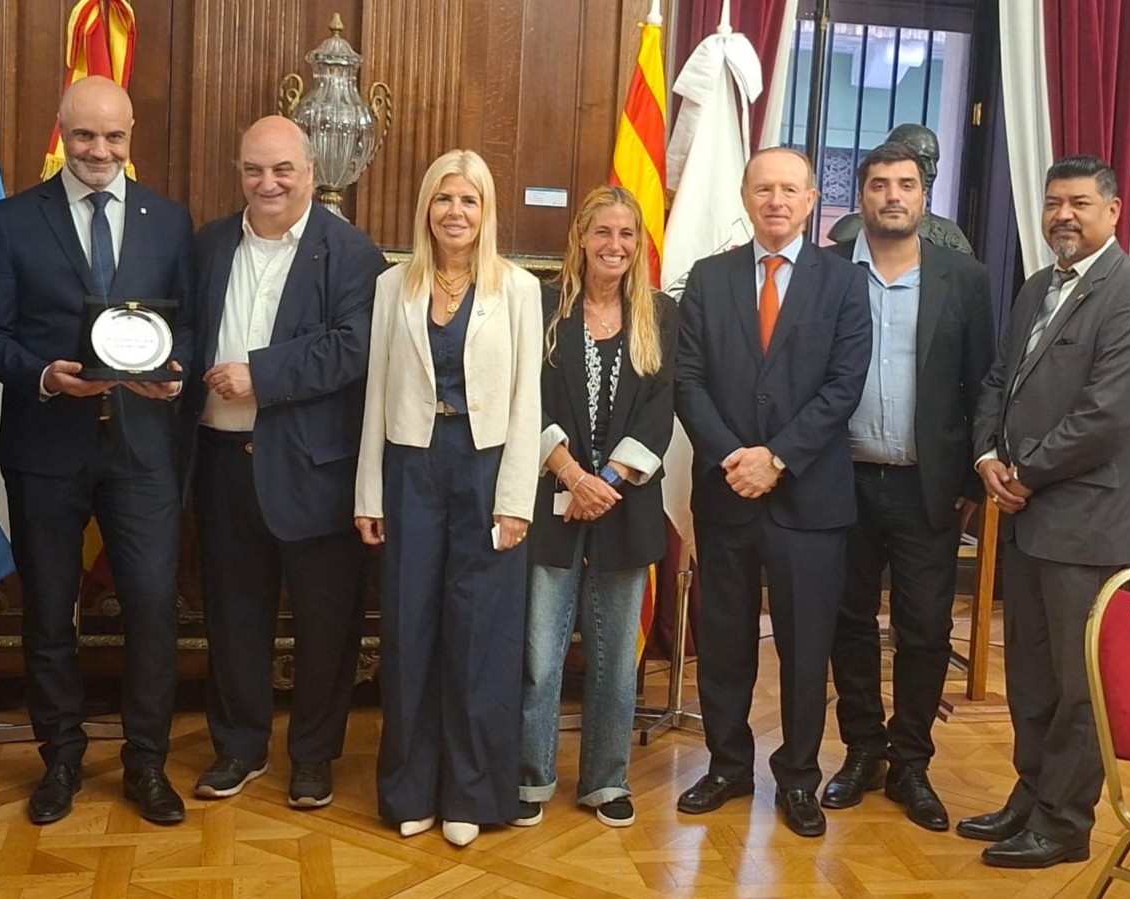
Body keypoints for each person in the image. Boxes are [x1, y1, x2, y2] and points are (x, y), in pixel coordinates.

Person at [0, 76, 195, 827]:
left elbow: (186, 327)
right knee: (48, 615)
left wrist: (172, 373)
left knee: (153, 609)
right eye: (85, 135)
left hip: (142, 448)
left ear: (133, 136)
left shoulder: (168, 221)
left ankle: (146, 762)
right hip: (45, 446)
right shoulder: (8, 220)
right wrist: (41, 375)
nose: (100, 151)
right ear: (60, 130)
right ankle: (60, 757)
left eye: (115, 137)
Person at [960, 155, 1130, 869]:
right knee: (1028, 673)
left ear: (1112, 210)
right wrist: (986, 452)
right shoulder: (1034, 288)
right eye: (1053, 203)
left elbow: (1106, 415)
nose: (1062, 216)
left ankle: (1064, 820)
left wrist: (1025, 471)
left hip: (1083, 527)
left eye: (1078, 202)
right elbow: (999, 379)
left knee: (1080, 686)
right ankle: (1029, 794)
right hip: (1022, 518)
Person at [189, 115, 387, 808]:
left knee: (325, 622)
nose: (266, 182)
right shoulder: (210, 242)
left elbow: (352, 347)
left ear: (309, 172)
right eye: (253, 169)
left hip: (313, 468)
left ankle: (312, 756)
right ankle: (237, 747)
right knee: (232, 614)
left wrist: (260, 375)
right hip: (220, 463)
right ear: (238, 171)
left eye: (281, 170)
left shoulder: (351, 253)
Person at [673, 147, 871, 838]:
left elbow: (843, 387)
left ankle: (797, 778)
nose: (776, 200)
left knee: (803, 644)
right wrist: (734, 456)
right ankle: (727, 766)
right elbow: (687, 381)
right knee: (724, 641)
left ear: (813, 199)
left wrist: (777, 457)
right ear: (744, 195)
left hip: (808, 499)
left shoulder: (844, 284)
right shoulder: (707, 278)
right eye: (764, 188)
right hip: (725, 492)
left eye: (789, 189)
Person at [355, 150, 542, 847]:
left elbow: (527, 401)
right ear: (425, 208)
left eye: (468, 200)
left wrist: (517, 498)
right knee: (408, 631)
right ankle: (409, 787)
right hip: (411, 465)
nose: (455, 213)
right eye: (443, 199)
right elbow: (375, 392)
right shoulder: (390, 287)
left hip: (487, 467)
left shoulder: (518, 289)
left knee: (479, 636)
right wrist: (368, 490)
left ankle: (469, 791)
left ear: (485, 211)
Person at [821, 141, 994, 831]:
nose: (891, 195)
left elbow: (983, 382)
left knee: (924, 629)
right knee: (848, 622)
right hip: (840, 482)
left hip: (929, 486)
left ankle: (911, 761)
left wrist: (973, 478)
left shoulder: (965, 278)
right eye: (878, 184)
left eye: (904, 184)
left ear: (923, 195)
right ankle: (861, 749)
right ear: (858, 196)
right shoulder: (826, 272)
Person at [512, 185, 677, 830]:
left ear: (639, 245)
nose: (615, 245)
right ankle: (532, 775)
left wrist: (604, 480)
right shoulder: (544, 309)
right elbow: (528, 401)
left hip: (625, 507)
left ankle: (605, 780)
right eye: (603, 232)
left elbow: (662, 409)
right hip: (550, 498)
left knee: (614, 659)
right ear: (580, 237)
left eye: (627, 235)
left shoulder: (660, 315)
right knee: (540, 654)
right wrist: (572, 475)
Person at [827, 124, 972, 253]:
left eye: (934, 161)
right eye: (923, 160)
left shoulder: (949, 233)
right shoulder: (849, 228)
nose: (932, 171)